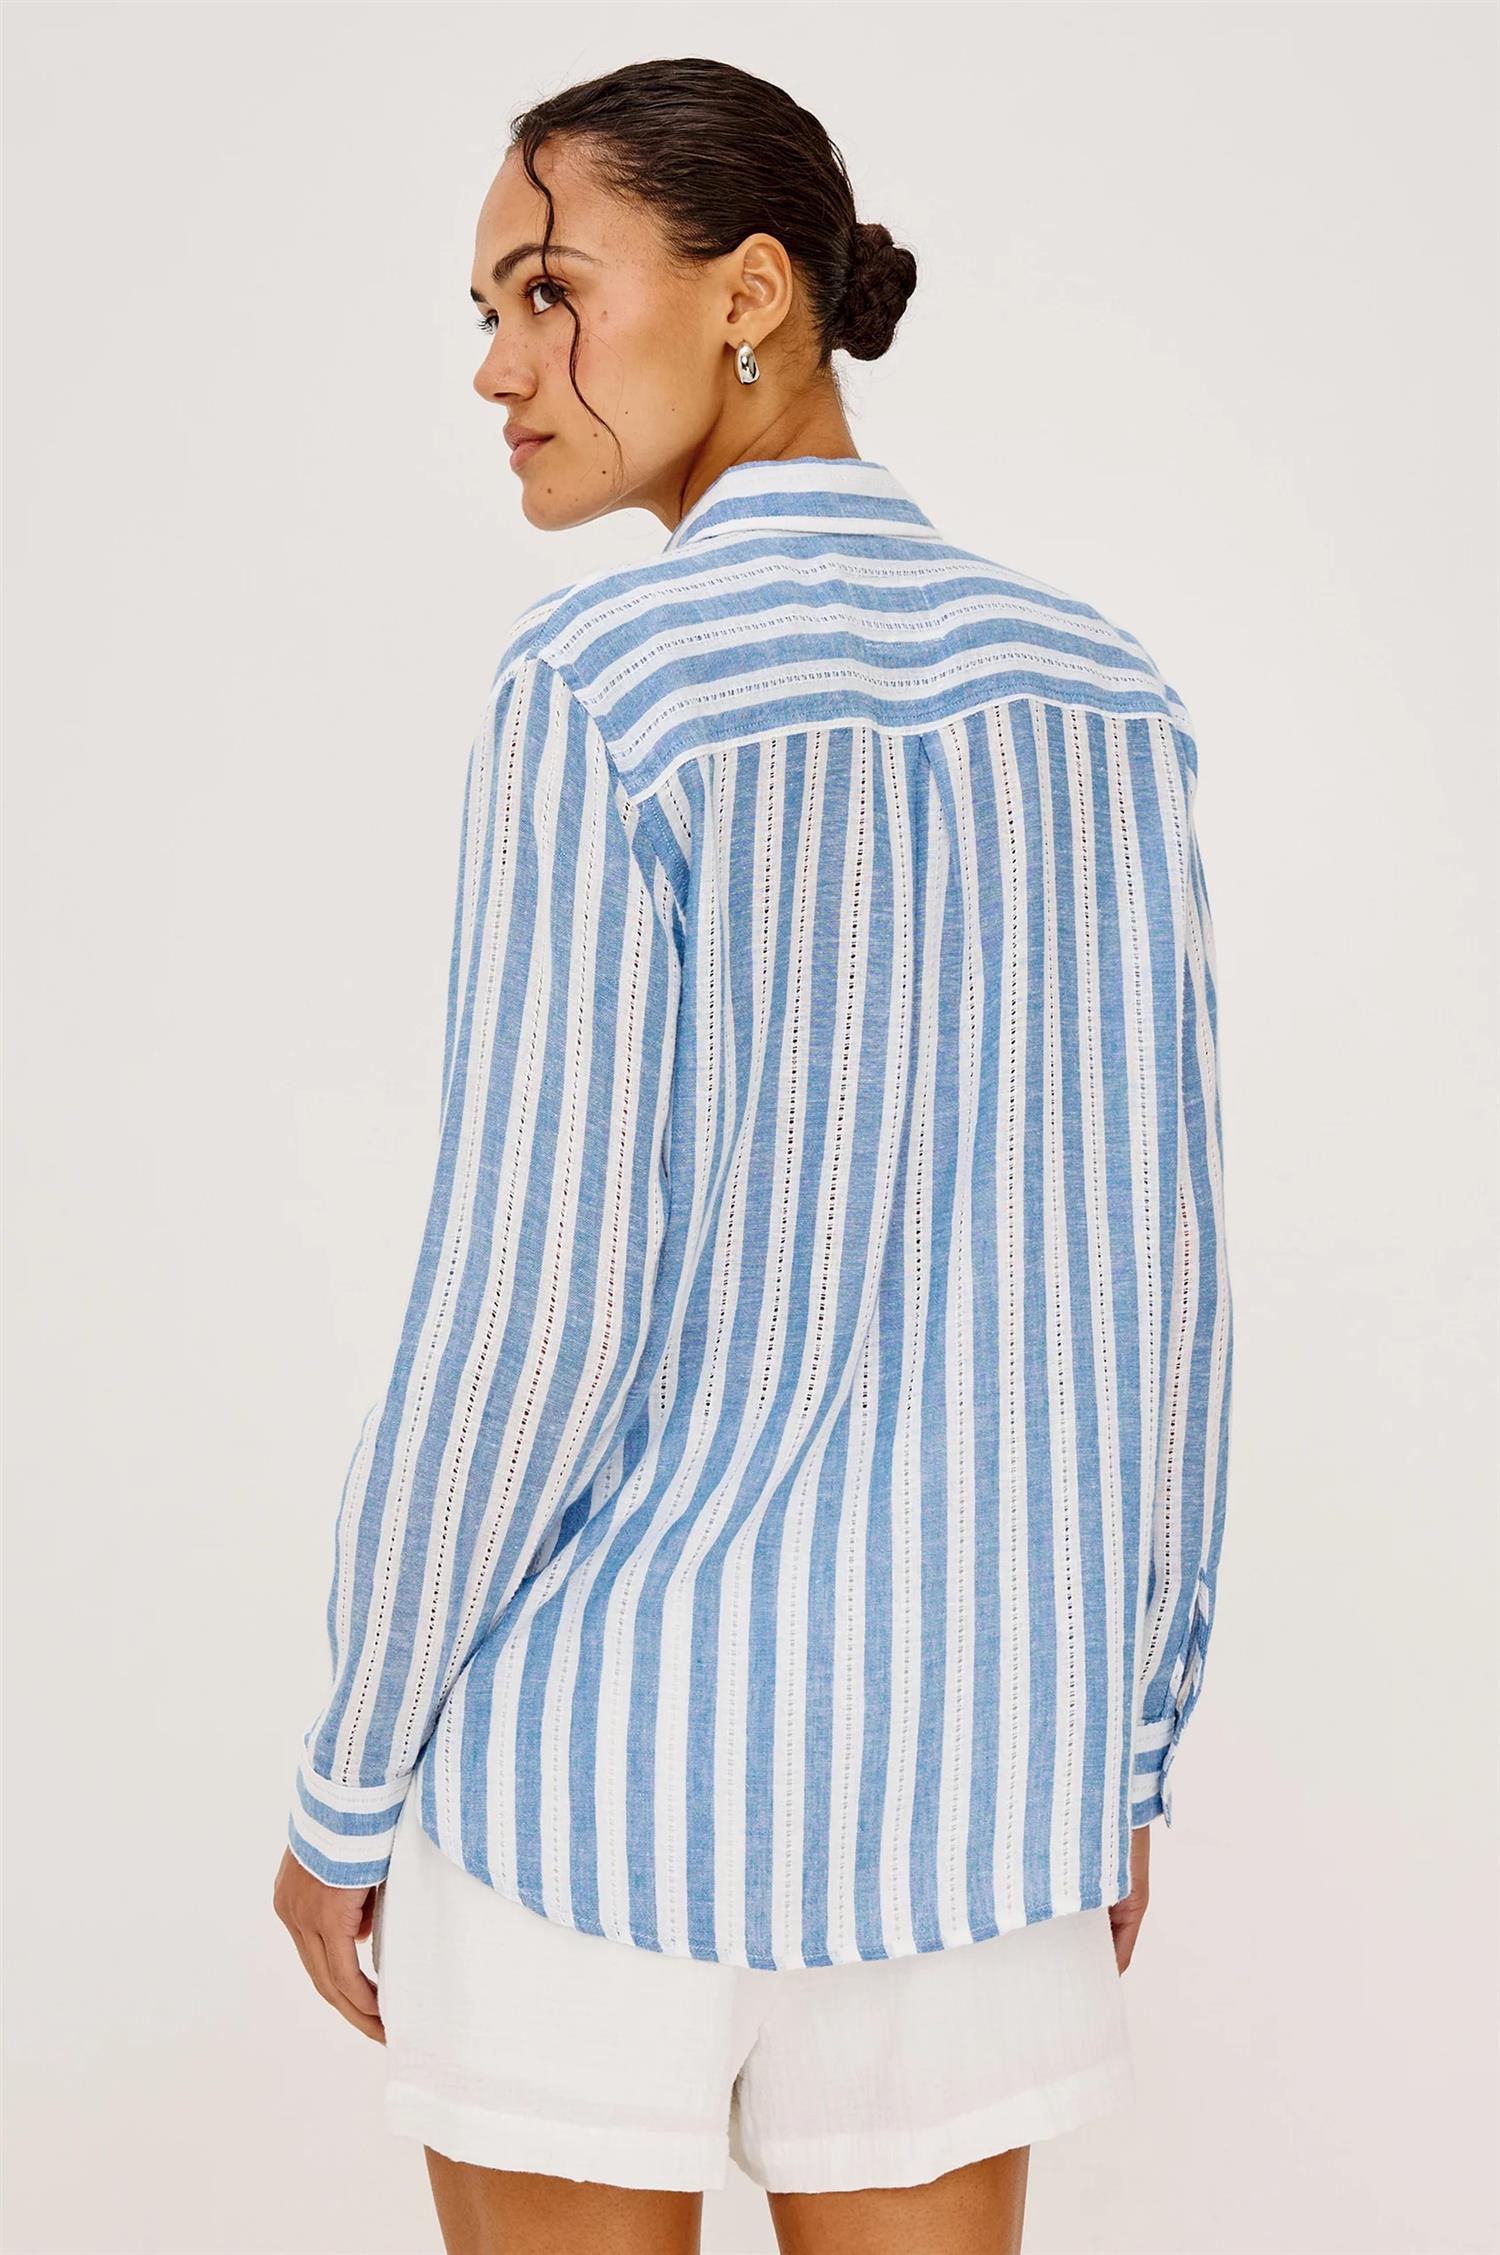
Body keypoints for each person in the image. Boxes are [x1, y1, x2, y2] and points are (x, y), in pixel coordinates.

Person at [273, 54, 1234, 2255]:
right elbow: (1162, 1287)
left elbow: (530, 1300)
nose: (497, 366)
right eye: (488, 313)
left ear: (752, 295)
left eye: (547, 291)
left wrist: (351, 1775)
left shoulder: (611, 686)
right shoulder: (1102, 701)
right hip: (978, 1786)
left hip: (591, 1783)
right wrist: (1121, 1747)